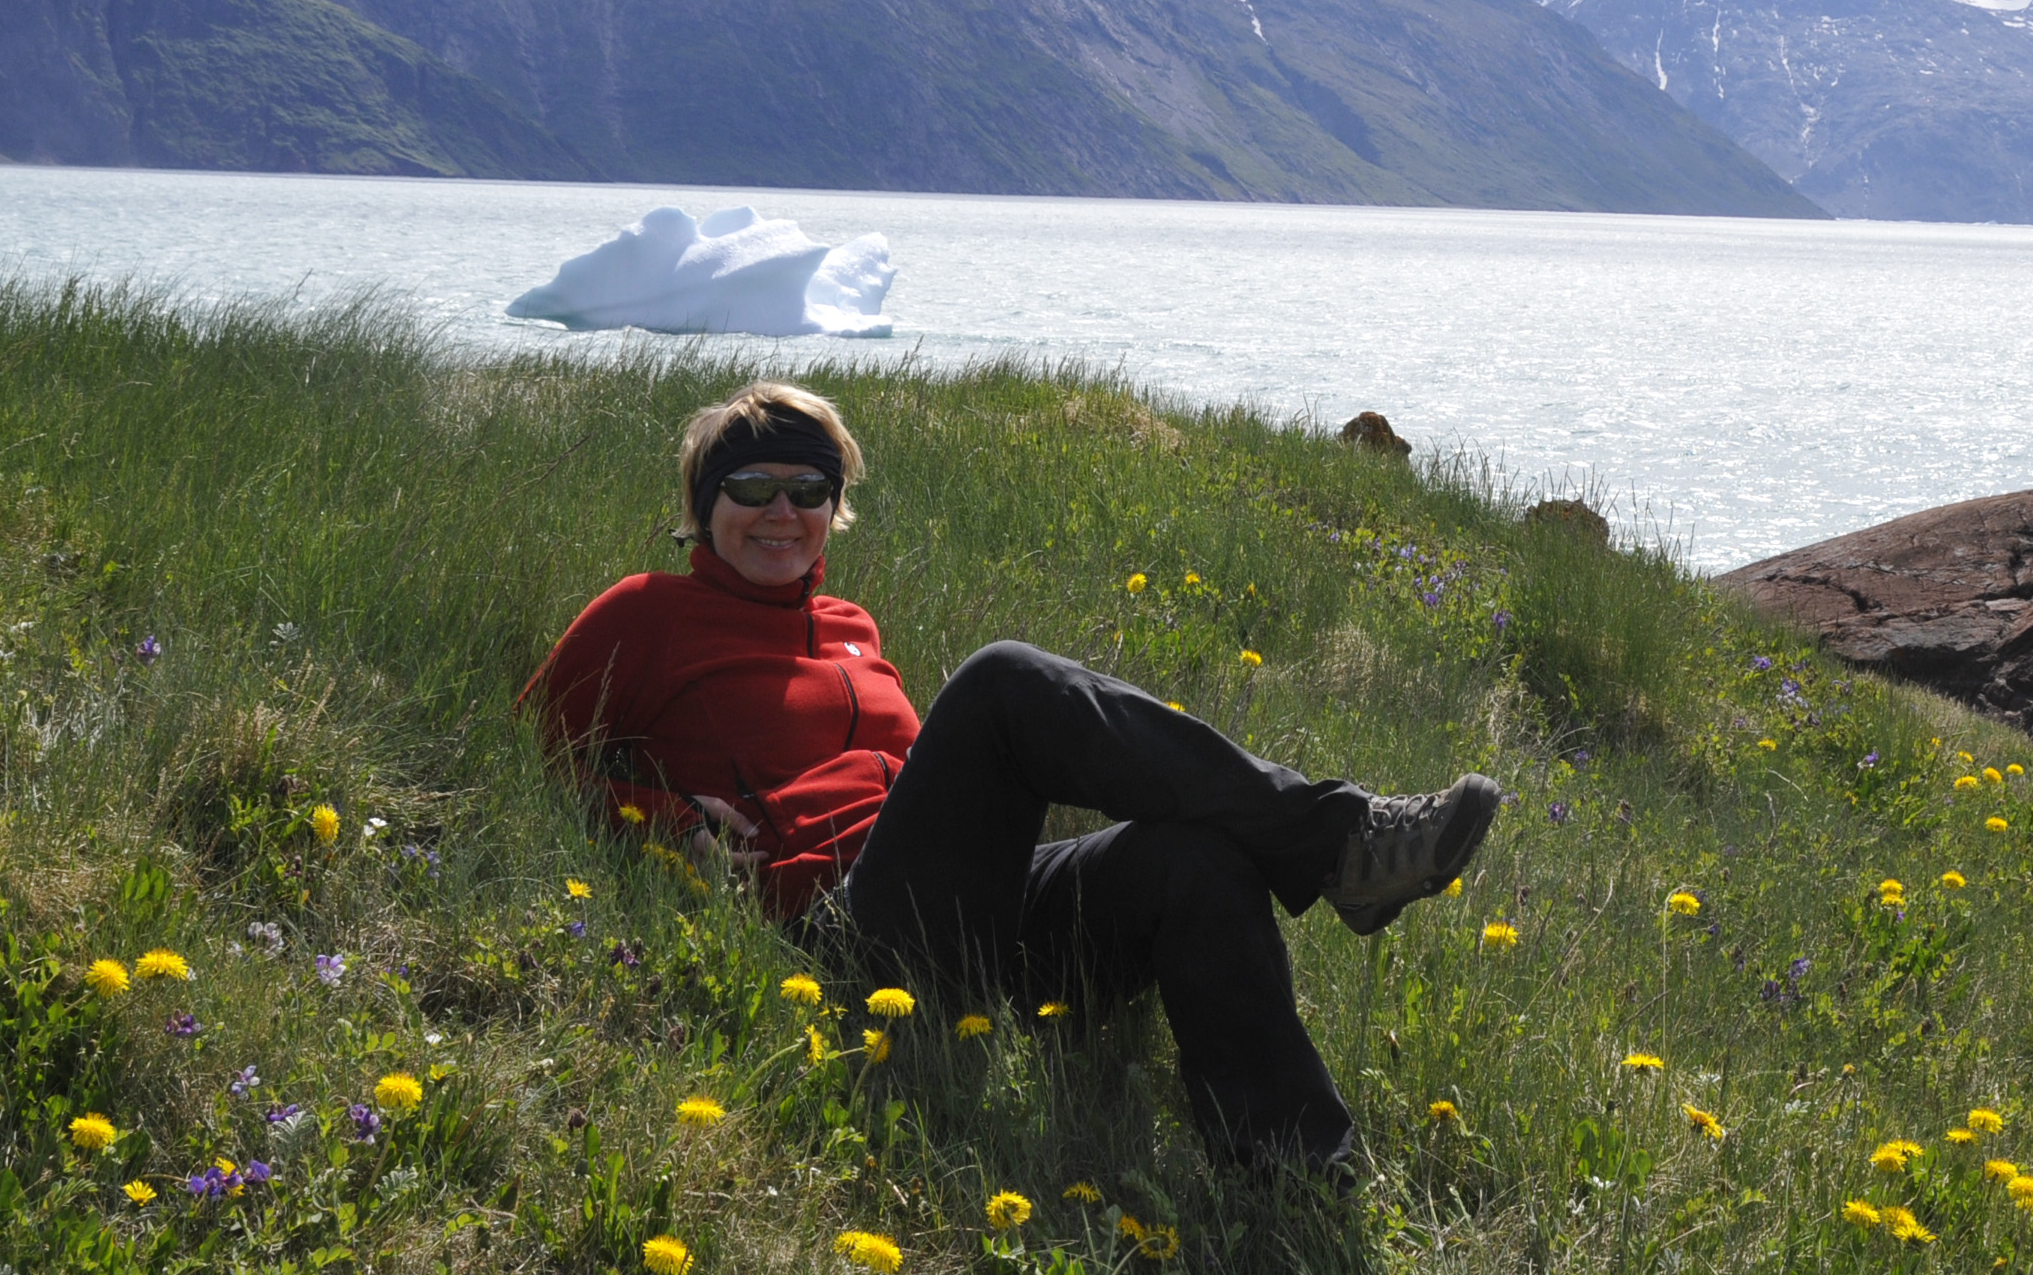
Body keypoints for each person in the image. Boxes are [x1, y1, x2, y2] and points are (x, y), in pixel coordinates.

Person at [520, 380, 1496, 1172]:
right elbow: (527, 761)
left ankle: (1289, 1163)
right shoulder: (643, 616)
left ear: (834, 508)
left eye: (809, 490)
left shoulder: (855, 630)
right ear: (704, 504)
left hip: (975, 924)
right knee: (1000, 681)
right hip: (839, 940)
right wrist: (658, 820)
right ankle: (1338, 841)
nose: (782, 511)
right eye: (752, 488)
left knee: (1191, 857)